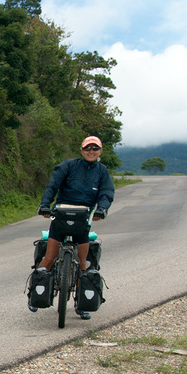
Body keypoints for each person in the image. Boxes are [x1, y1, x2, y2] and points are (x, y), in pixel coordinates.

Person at [31, 135, 115, 319]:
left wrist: (102, 209)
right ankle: (35, 295)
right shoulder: (68, 166)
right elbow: (53, 186)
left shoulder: (102, 171)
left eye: (95, 148)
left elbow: (106, 192)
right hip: (61, 215)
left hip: (83, 218)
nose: (91, 151)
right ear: (81, 150)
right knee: (49, 257)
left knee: (83, 263)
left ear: (100, 151)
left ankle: (81, 304)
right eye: (87, 148)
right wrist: (45, 205)